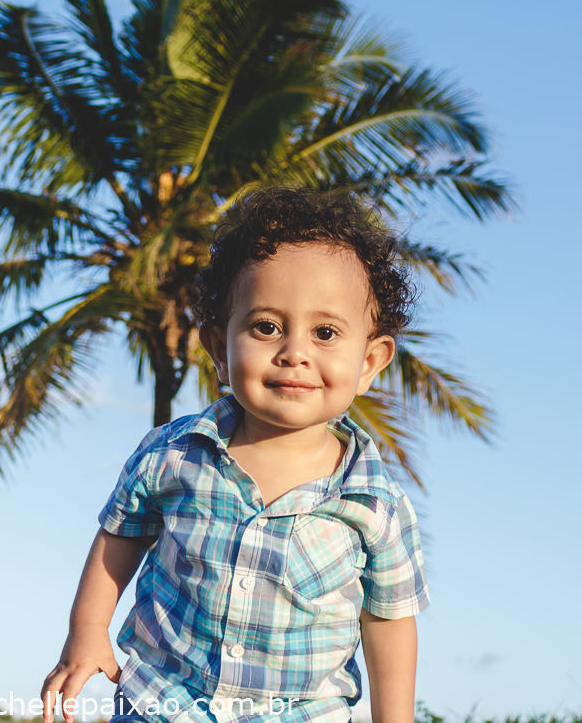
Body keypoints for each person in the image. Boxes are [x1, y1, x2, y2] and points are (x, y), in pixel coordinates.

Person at [41, 188, 430, 723]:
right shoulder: (173, 454)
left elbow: (388, 620)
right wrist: (87, 631)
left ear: (369, 361)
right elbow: (119, 535)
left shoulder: (374, 503)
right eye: (266, 327)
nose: (295, 351)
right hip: (162, 702)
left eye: (325, 332)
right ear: (220, 347)